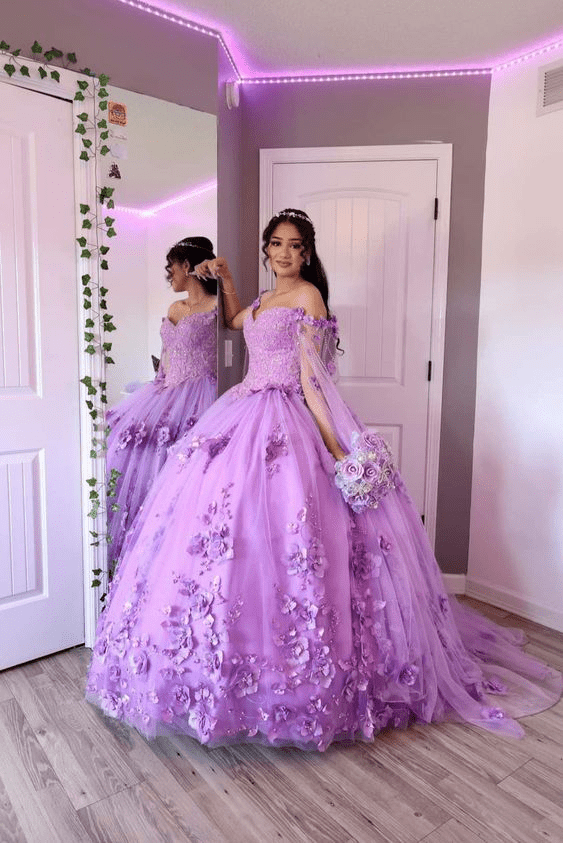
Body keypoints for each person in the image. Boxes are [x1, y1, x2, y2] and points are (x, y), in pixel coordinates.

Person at [87, 210, 561, 749]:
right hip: (242, 411)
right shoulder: (266, 298)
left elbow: (313, 381)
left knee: (292, 534)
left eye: (295, 246)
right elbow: (237, 320)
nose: (285, 253)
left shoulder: (309, 297)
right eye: (276, 244)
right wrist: (230, 279)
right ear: (267, 250)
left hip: (286, 415)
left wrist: (337, 449)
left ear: (307, 254)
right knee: (230, 532)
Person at [104, 237, 217, 574]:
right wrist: (157, 386)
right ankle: (136, 545)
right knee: (131, 442)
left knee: (183, 461)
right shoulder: (174, 309)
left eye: (172, 267)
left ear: (188, 266)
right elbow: (167, 357)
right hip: (166, 389)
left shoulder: (217, 306)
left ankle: (174, 549)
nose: (170, 275)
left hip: (201, 392)